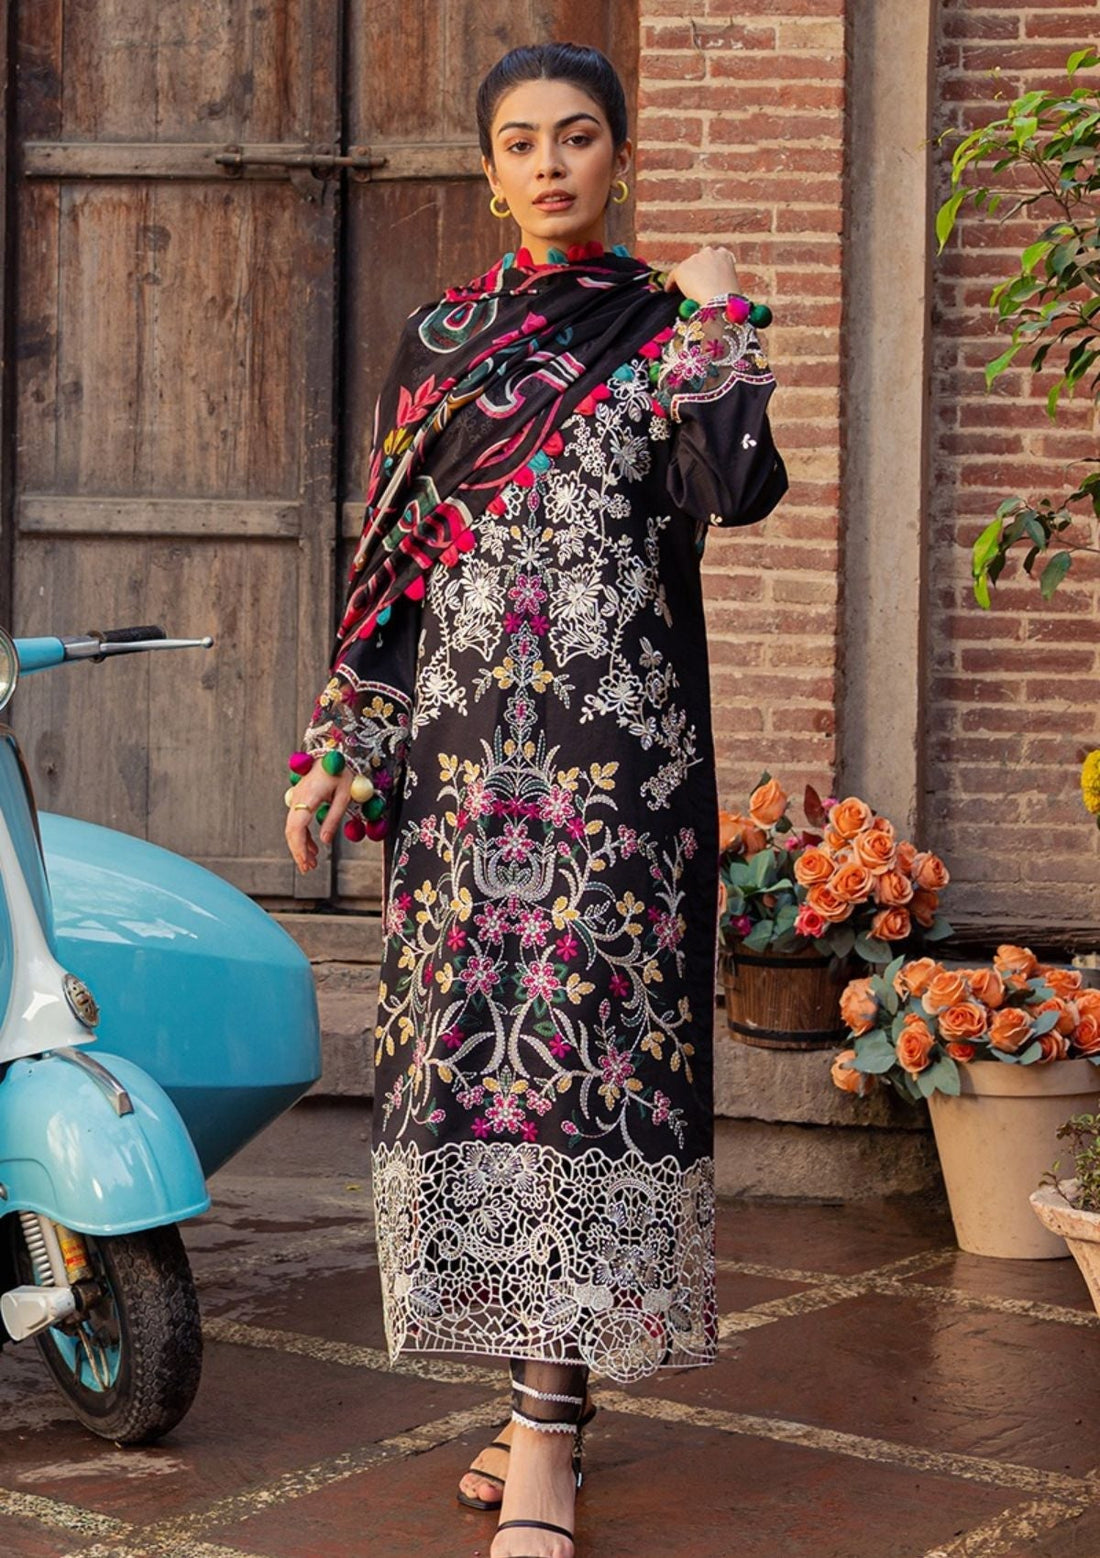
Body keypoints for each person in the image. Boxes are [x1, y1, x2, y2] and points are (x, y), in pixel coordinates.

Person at [284, 41, 787, 1558]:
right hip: (461, 772)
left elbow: (738, 488)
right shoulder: (441, 338)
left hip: (616, 772)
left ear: (619, 156)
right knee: (484, 1078)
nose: (552, 163)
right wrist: (347, 744)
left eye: (578, 136)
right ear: (492, 170)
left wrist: (721, 316)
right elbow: (392, 568)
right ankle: (534, 1399)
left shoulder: (667, 327)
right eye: (522, 141)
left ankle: (550, 1440)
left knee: (582, 1073)